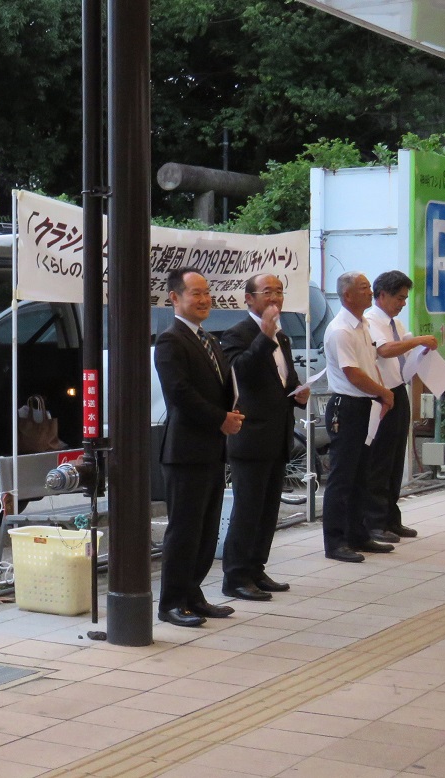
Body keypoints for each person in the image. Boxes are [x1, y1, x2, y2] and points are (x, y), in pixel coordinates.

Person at [153, 268, 242, 628]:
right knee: (185, 529)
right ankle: (171, 602)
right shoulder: (171, 340)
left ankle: (193, 594)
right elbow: (180, 394)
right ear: (175, 298)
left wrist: (231, 413)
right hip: (186, 450)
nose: (205, 300)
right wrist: (220, 418)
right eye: (196, 294)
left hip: (212, 448)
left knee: (206, 530)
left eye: (207, 293)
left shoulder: (208, 338)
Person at [219, 274, 307, 602]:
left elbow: (287, 379)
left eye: (280, 292)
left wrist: (299, 393)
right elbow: (240, 372)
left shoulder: (281, 337)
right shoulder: (237, 334)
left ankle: (256, 567)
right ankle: (236, 575)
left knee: (269, 508)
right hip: (250, 435)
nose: (275, 299)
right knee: (248, 508)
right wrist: (265, 336)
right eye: (267, 292)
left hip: (277, 434)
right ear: (249, 299)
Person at [320, 272, 396, 563]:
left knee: (362, 473)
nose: (370, 292)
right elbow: (352, 373)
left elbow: (370, 364)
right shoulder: (340, 329)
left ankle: (359, 534)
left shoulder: (363, 325)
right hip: (347, 406)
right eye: (364, 289)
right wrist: (384, 393)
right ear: (348, 295)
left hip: (366, 403)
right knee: (342, 477)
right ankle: (335, 541)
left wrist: (381, 393)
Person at [364, 270, 437, 542]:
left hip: (398, 390)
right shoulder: (372, 320)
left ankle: (391, 519)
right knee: (380, 460)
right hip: (380, 394)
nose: (403, 303)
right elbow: (384, 350)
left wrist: (421, 349)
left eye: (405, 298)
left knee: (396, 459)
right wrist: (417, 341)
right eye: (399, 298)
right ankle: (374, 521)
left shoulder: (395, 322)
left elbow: (404, 348)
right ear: (382, 295)